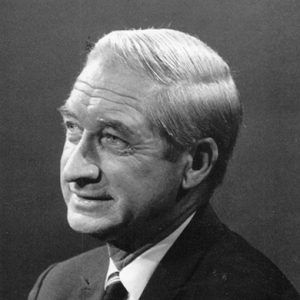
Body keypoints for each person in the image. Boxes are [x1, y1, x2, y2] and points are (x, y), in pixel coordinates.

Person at [28, 28, 299, 300]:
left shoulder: (254, 293)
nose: (75, 171)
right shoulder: (56, 285)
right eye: (73, 127)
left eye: (113, 139)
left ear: (196, 163)